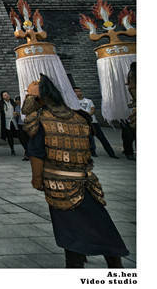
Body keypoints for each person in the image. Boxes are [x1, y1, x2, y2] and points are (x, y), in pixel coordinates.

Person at [23, 74, 128, 268]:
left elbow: (36, 153)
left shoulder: (40, 119)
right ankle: (114, 262)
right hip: (86, 180)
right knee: (99, 222)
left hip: (59, 183)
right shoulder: (80, 117)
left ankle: (76, 265)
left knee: (69, 227)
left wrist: (36, 178)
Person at [74, 87, 118, 159]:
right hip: (82, 123)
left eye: (79, 91)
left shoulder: (88, 101)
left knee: (102, 138)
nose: (78, 93)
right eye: (76, 91)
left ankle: (111, 153)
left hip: (93, 122)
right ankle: (92, 152)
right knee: (89, 138)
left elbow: (93, 109)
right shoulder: (74, 103)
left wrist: (87, 116)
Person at [0, 91, 27, 157]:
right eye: (5, 95)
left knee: (20, 135)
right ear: (2, 97)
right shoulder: (0, 103)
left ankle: (26, 149)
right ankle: (12, 149)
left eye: (7, 94)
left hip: (14, 121)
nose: (7, 96)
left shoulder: (13, 102)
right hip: (7, 122)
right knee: (9, 136)